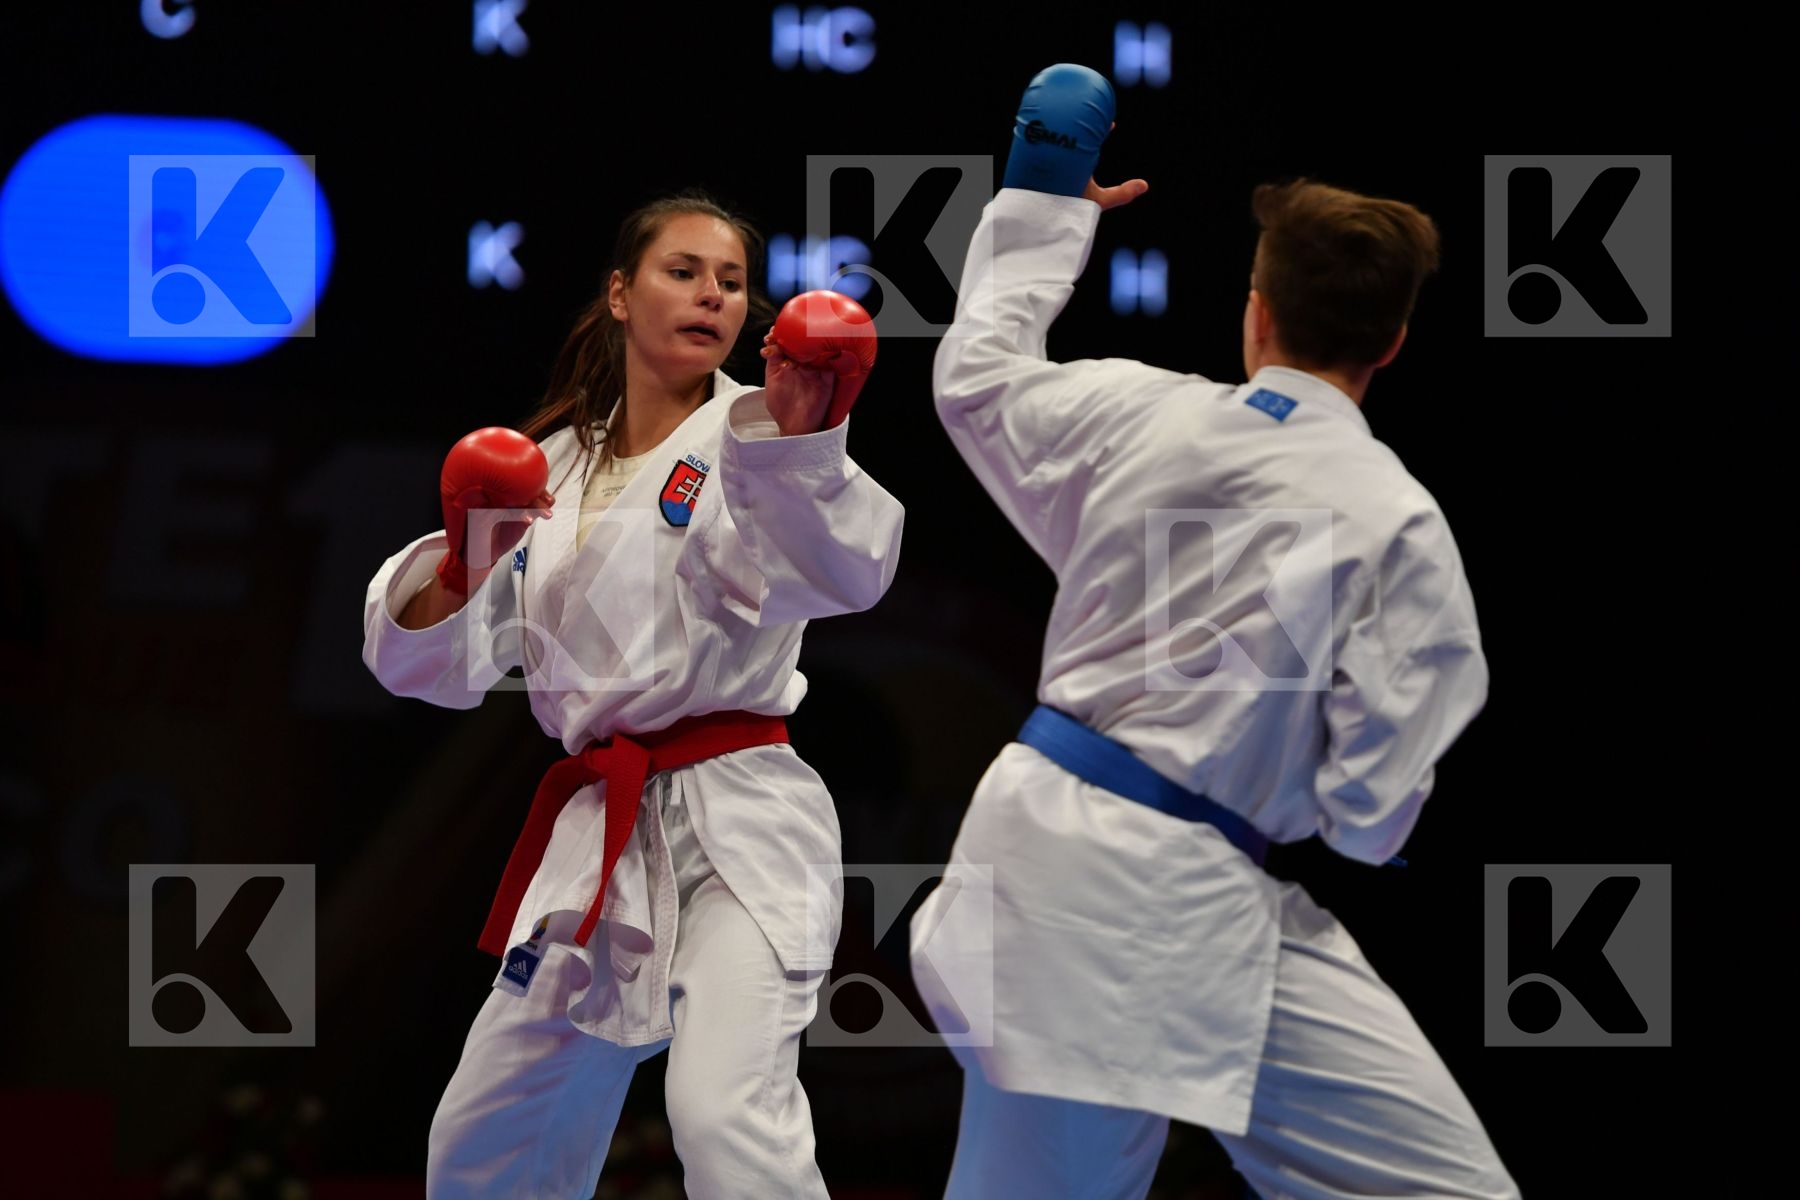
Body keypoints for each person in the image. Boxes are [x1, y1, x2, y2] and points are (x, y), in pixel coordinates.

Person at [908, 66, 1520, 1199]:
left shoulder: (1136, 412)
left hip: (1069, 868)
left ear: (1257, 312)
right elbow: (1373, 818)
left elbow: (977, 379)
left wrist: (1045, 201)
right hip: (1143, 903)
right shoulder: (1398, 521)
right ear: (1391, 342)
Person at [361, 191, 903, 1199]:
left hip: (739, 818)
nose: (713, 296)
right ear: (619, 293)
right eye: (684, 272)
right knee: (482, 1141)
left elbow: (843, 575)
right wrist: (464, 566)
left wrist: (806, 442)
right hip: (598, 839)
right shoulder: (546, 471)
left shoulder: (756, 434)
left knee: (723, 1116)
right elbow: (429, 668)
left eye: (733, 283)